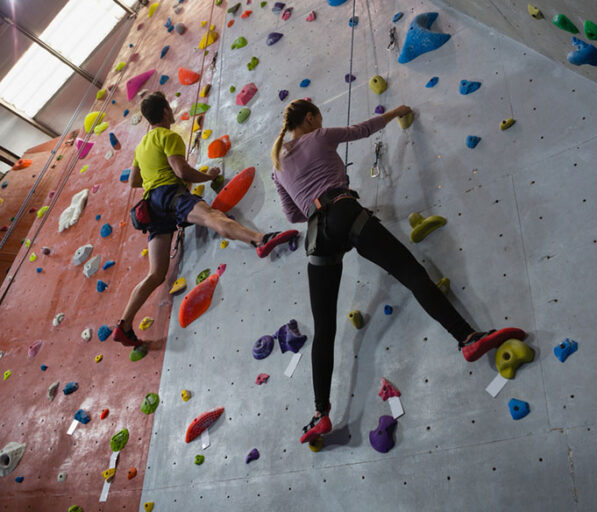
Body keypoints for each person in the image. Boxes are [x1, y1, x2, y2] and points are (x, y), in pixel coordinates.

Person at [270, 99, 527, 444]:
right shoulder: (318, 137)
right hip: (344, 211)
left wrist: (313, 201)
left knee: (325, 329)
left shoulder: (278, 165)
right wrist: (394, 113)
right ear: (311, 117)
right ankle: (467, 339)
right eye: (319, 117)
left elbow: (292, 215)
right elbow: (361, 130)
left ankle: (320, 414)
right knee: (410, 273)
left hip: (317, 235)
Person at [114, 91, 286, 346]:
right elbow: (180, 170)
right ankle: (259, 239)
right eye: (169, 108)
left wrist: (154, 175)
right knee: (211, 216)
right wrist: (209, 175)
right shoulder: (168, 136)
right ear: (164, 112)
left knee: (156, 274)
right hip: (170, 195)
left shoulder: (141, 147)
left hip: (152, 207)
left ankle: (124, 325)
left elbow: (134, 181)